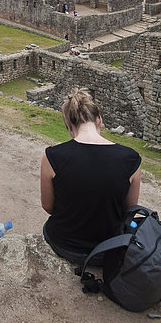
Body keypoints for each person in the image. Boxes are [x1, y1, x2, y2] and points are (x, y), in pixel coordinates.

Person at [40, 87, 141, 264]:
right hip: (108, 248)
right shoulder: (131, 159)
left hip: (64, 243)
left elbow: (48, 206)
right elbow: (129, 209)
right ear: (99, 120)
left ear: (70, 127)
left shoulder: (52, 156)